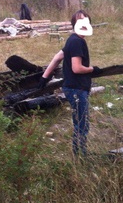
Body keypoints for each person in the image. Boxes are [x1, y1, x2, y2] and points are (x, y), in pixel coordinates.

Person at [39, 10, 102, 156]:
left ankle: (78, 152)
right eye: (80, 21)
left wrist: (44, 77)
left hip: (72, 88)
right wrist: (93, 69)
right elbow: (77, 68)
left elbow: (57, 57)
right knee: (82, 124)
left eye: (86, 20)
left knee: (80, 122)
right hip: (77, 89)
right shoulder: (77, 41)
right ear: (74, 24)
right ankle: (80, 155)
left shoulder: (72, 40)